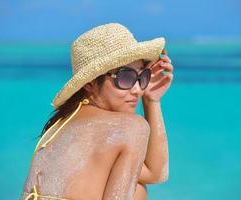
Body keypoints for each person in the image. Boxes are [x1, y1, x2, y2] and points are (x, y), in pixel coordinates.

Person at [21, 22, 173, 200]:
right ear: (90, 83)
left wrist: (152, 100)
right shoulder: (128, 127)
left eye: (142, 77)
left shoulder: (59, 125)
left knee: (138, 186)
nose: (138, 89)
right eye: (125, 77)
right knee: (139, 191)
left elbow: (155, 173)